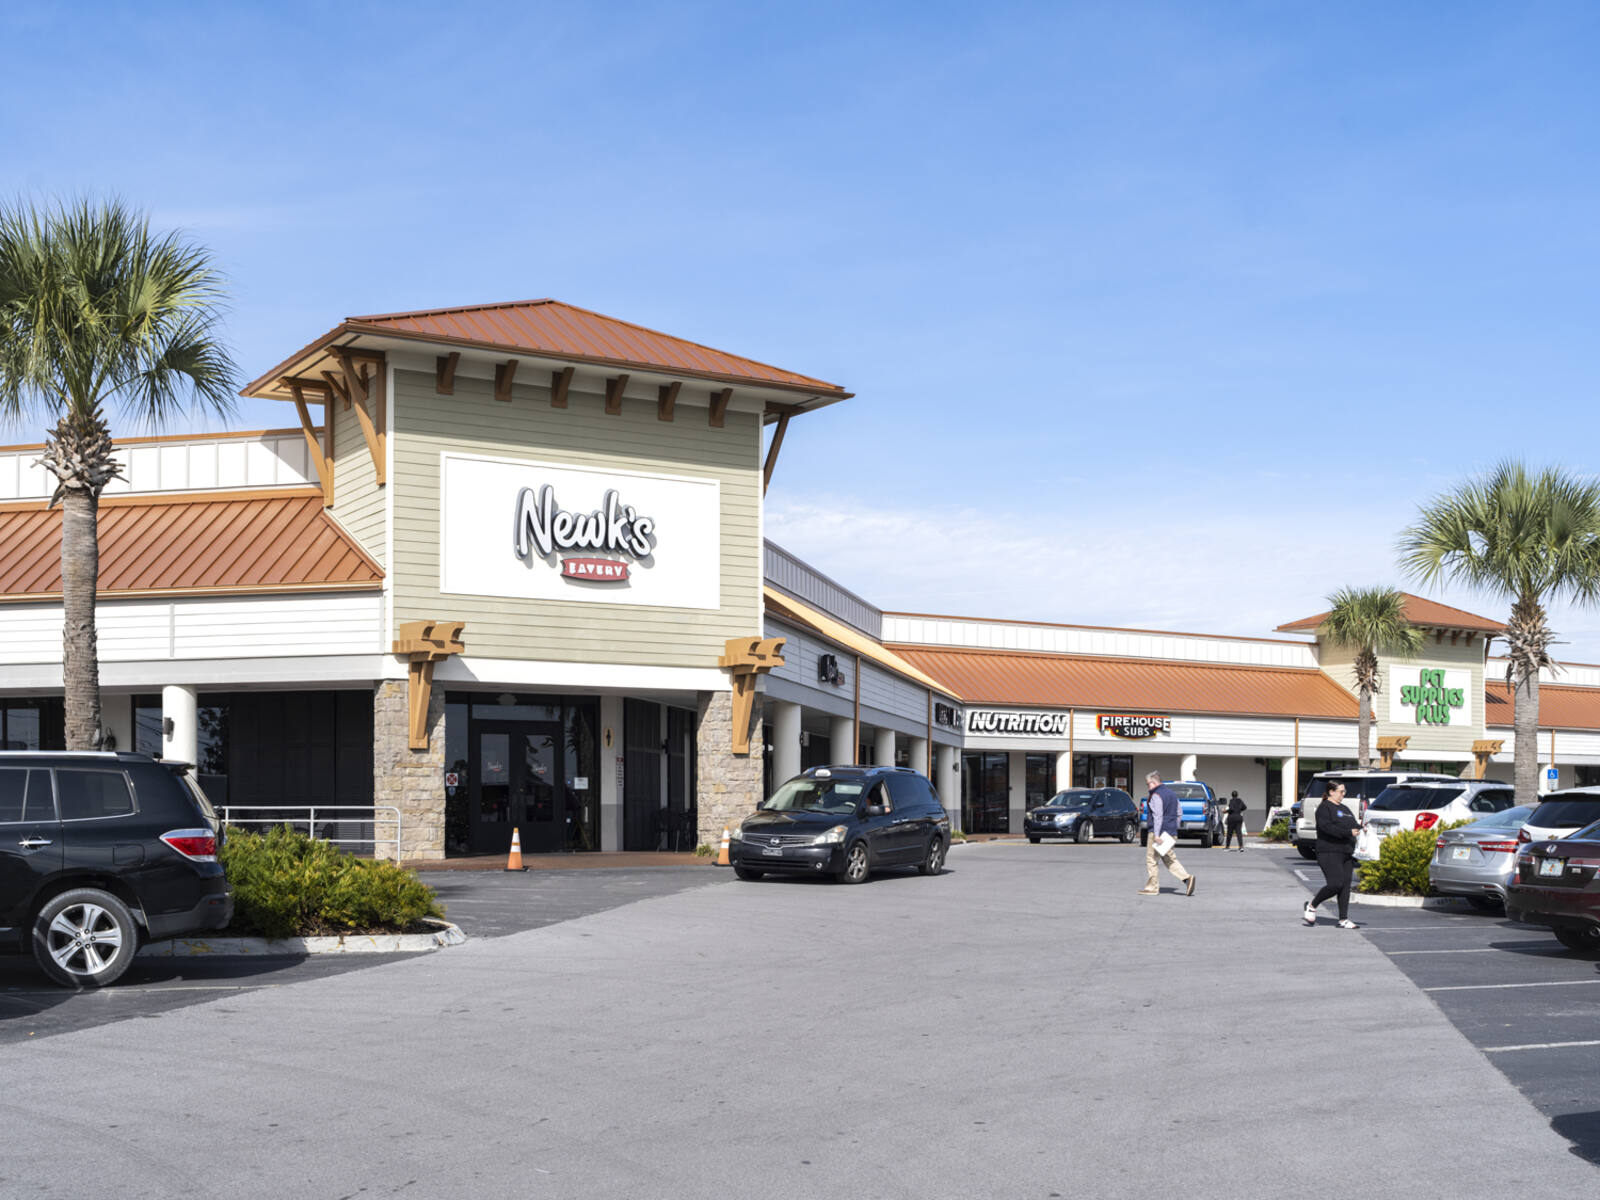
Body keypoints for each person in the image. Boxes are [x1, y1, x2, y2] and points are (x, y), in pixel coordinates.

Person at [1304, 780, 1360, 928]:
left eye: (1344, 791)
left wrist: (1362, 828)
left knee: (1345, 886)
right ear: (1331, 792)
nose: (1344, 794)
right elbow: (1327, 828)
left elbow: (1353, 824)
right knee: (1335, 884)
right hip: (1328, 851)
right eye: (1341, 791)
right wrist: (1348, 832)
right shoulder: (1324, 808)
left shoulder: (1345, 808)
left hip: (1346, 852)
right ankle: (1312, 905)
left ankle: (1343, 919)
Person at [1139, 771, 1195, 896]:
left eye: (1148, 784)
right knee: (1169, 859)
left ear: (1153, 782)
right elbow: (1179, 813)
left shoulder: (1156, 795)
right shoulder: (1172, 795)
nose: (1147, 787)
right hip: (1171, 832)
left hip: (1158, 833)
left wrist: (1157, 835)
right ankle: (1187, 878)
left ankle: (1152, 888)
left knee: (1152, 860)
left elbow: (1157, 816)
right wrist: (1174, 826)